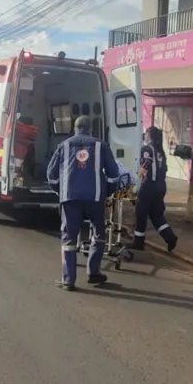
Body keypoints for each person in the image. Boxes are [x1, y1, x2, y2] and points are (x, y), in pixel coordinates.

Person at [46, 116, 121, 291]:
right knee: (98, 233)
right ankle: (93, 273)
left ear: (75, 128)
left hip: (70, 198)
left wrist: (61, 191)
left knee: (69, 238)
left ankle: (68, 280)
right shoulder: (101, 145)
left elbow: (51, 174)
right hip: (94, 198)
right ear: (91, 129)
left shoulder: (63, 146)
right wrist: (106, 192)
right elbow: (114, 174)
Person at [132, 126, 178, 252]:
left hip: (149, 186)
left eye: (146, 132)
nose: (144, 135)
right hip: (161, 186)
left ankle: (138, 242)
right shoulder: (160, 151)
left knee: (140, 213)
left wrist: (138, 176)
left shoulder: (147, 148)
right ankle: (170, 238)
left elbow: (147, 161)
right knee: (156, 215)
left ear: (150, 135)